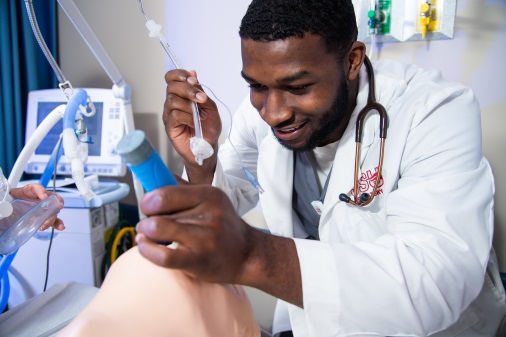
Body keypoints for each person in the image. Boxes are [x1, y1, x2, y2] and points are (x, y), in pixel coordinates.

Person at [61, 0, 506, 336]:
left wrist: (253, 255)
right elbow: (227, 199)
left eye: (298, 86)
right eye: (256, 86)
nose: (272, 112)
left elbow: (437, 278)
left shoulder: (434, 111)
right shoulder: (265, 110)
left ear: (352, 60)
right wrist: (201, 156)